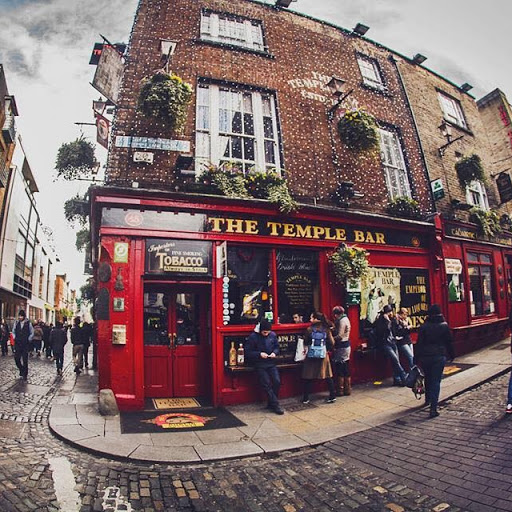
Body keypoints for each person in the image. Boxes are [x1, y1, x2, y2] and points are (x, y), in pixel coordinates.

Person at [415, 304, 455, 418]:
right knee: (436, 381)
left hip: (425, 356)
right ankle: (433, 408)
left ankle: (427, 400)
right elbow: (449, 342)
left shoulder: (424, 326)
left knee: (427, 378)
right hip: (439, 356)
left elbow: (419, 344)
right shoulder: (444, 326)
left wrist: (416, 358)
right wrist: (452, 355)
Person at [245, 319, 284, 415]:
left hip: (271, 362)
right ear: (260, 330)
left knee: (277, 381)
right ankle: (275, 405)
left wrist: (274, 353)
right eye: (264, 332)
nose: (266, 334)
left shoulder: (273, 335)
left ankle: (271, 403)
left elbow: (277, 347)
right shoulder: (253, 337)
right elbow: (248, 352)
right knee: (266, 384)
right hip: (260, 364)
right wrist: (259, 354)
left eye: (268, 332)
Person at [302, 311, 337, 404]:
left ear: (316, 319)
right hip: (323, 355)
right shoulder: (326, 329)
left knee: (308, 376)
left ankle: (306, 398)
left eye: (312, 318)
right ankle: (332, 396)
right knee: (328, 376)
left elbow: (305, 342)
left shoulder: (309, 329)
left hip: (311, 355)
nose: (310, 319)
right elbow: (332, 342)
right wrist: (327, 349)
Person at [375, 305, 407, 386]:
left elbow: (396, 329)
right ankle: (404, 377)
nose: (390, 314)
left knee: (395, 362)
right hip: (385, 343)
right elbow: (380, 332)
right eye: (388, 312)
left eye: (390, 312)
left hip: (393, 342)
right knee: (395, 360)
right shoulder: (381, 321)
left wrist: (397, 321)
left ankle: (397, 380)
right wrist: (387, 321)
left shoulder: (392, 319)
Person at [332, 306, 351, 396]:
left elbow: (340, 336)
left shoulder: (342, 321)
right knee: (345, 366)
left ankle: (340, 390)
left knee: (341, 367)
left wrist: (331, 338)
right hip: (346, 345)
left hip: (342, 346)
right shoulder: (346, 318)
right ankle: (347, 389)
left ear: (336, 314)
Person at [12, 310, 34, 381]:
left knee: (25, 360)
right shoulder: (16, 323)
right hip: (18, 343)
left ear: (24, 316)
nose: (20, 317)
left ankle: (25, 373)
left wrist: (29, 339)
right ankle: (21, 369)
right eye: (19, 316)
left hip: (25, 344)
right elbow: (13, 331)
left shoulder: (28, 323)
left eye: (21, 316)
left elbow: (32, 332)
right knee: (16, 358)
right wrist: (14, 337)